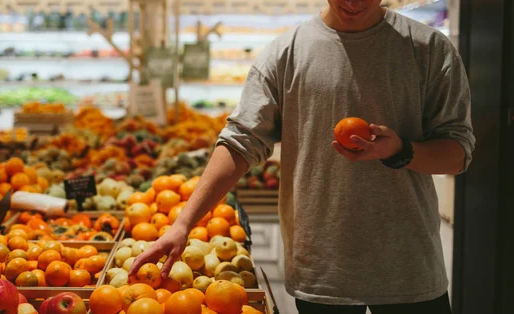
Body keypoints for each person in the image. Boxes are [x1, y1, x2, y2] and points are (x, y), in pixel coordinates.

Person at [130, 0, 475, 313]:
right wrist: (183, 223)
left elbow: (457, 154)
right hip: (322, 269)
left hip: (408, 266)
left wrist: (401, 151)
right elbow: (240, 141)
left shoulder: (428, 49)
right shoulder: (285, 53)